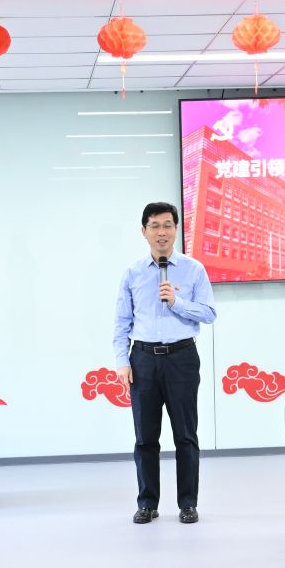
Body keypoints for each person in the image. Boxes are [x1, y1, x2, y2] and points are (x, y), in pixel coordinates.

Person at [113, 201, 216, 524]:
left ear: (176, 229)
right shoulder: (132, 273)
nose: (162, 232)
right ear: (144, 231)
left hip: (182, 358)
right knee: (145, 437)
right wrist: (122, 362)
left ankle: (188, 503)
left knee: (185, 435)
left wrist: (177, 302)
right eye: (155, 226)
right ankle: (147, 503)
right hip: (143, 359)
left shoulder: (194, 269)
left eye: (168, 225)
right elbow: (122, 322)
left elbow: (209, 313)